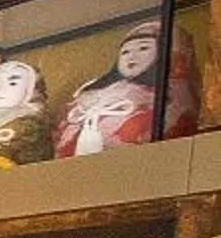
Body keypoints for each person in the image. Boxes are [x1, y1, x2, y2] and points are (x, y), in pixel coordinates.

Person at [56, 20, 203, 157]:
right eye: (125, 52)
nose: (131, 56)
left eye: (143, 48)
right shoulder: (89, 94)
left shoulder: (172, 95)